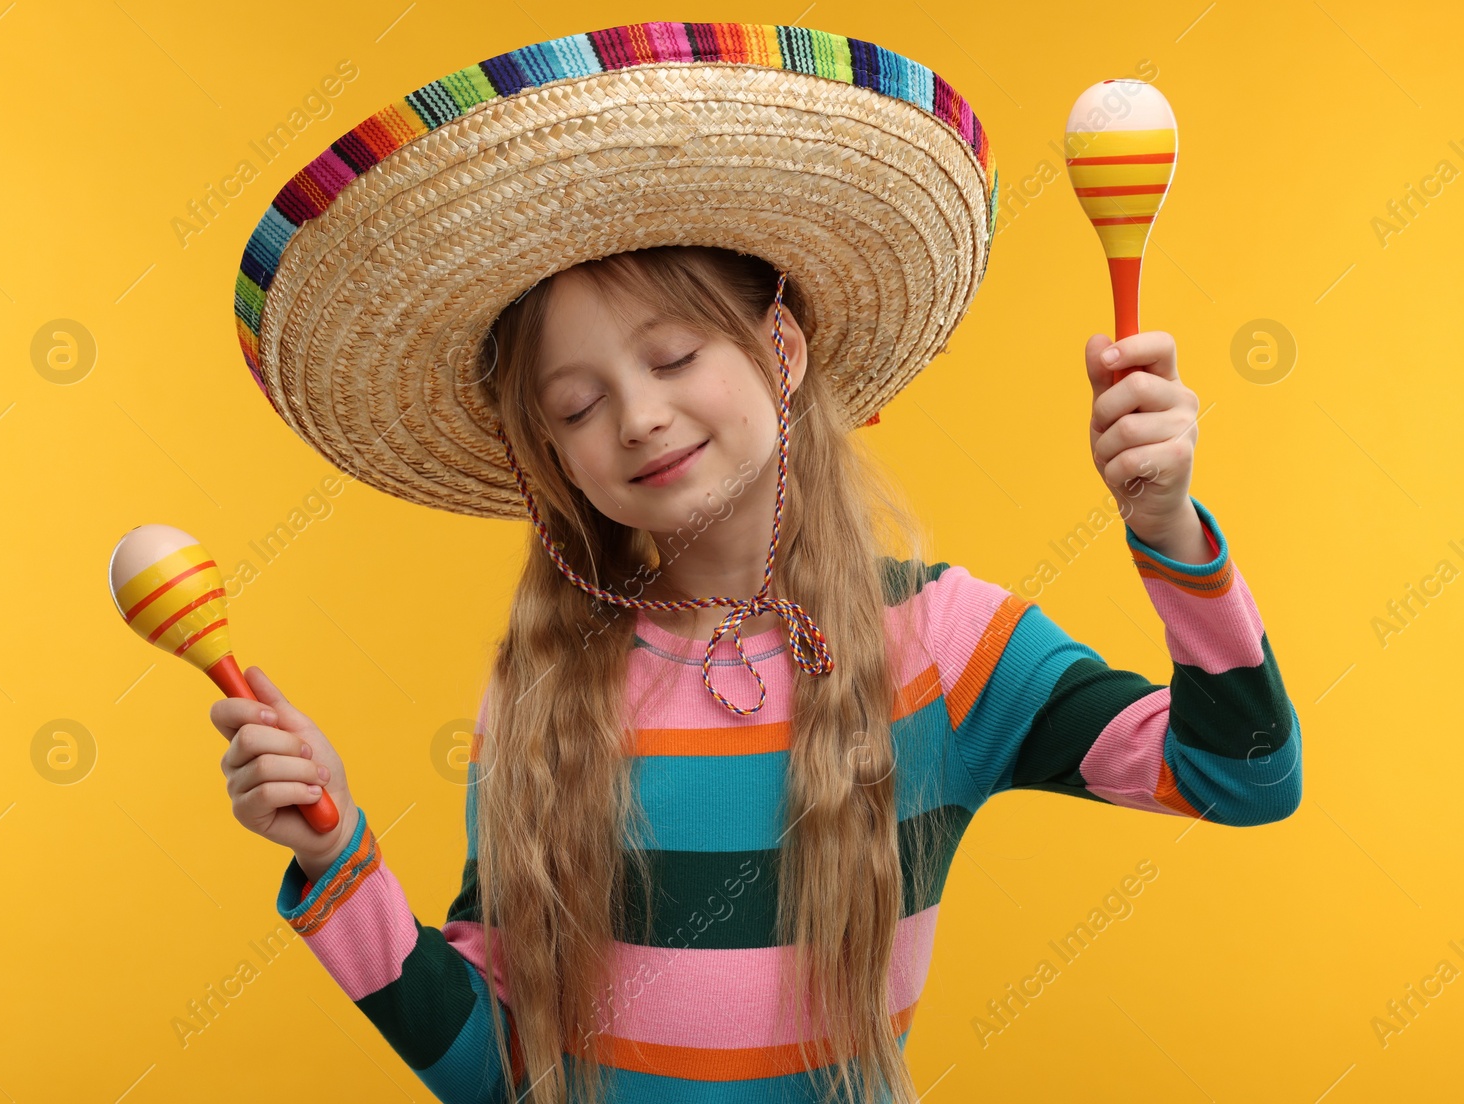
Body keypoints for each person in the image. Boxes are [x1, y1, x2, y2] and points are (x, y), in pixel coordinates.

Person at [211, 21, 1302, 1104]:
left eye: (675, 354)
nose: (638, 417)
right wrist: (334, 855)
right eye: (576, 406)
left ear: (780, 351)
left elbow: (1242, 776)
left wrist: (1166, 529)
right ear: (553, 458)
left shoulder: (945, 647)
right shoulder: (542, 685)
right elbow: (500, 1075)